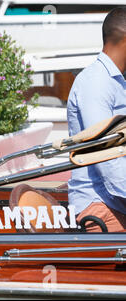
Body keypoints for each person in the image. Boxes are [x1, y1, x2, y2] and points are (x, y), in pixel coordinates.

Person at [66, 7, 126, 232]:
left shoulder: (116, 81)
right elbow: (104, 154)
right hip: (102, 207)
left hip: (115, 203)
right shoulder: (96, 82)